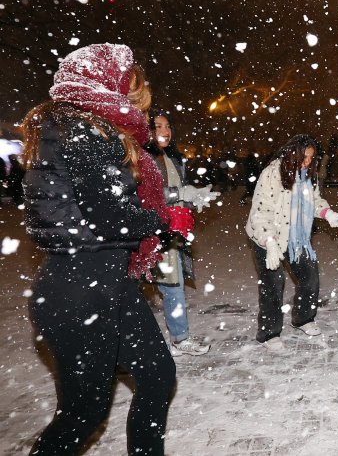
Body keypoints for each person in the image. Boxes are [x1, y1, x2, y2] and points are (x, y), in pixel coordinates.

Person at [22, 44, 181, 455]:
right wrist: (163, 220)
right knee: (83, 413)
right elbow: (113, 217)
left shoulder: (85, 128)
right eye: (131, 90)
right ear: (105, 82)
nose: (135, 102)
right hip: (79, 287)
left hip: (106, 280)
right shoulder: (80, 129)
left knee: (157, 374)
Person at [246, 135, 338, 351]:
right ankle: (269, 333)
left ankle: (303, 318)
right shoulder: (273, 173)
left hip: (296, 238)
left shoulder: (308, 175)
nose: (308, 162)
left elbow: (315, 201)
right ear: (293, 154)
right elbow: (261, 212)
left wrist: (327, 213)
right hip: (267, 237)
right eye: (304, 157)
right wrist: (270, 242)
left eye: (311, 158)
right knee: (273, 284)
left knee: (310, 276)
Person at [145, 110, 220, 356]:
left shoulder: (170, 157)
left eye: (167, 126)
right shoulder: (143, 157)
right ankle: (173, 339)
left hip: (170, 231)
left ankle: (178, 337)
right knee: (166, 285)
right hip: (150, 232)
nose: (165, 131)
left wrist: (194, 196)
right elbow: (144, 194)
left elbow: (174, 190)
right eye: (158, 126)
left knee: (172, 284)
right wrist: (180, 195)